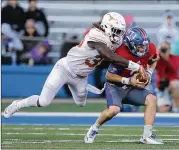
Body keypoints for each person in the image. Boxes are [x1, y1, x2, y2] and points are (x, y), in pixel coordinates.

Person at [4, 12, 146, 119]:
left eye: (120, 32)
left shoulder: (114, 39)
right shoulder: (95, 35)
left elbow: (119, 55)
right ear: (107, 27)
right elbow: (109, 56)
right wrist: (135, 66)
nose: (118, 35)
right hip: (64, 69)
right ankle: (17, 104)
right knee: (44, 101)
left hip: (81, 76)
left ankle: (79, 86)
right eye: (116, 31)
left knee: (81, 104)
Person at [84, 27, 163, 144]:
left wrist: (149, 73)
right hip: (115, 86)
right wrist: (129, 81)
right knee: (114, 110)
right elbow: (109, 75)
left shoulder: (150, 48)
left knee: (151, 99)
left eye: (144, 46)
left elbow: (154, 59)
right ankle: (94, 128)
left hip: (131, 87)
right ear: (130, 45)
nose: (143, 48)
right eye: (140, 46)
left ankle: (147, 136)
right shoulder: (121, 53)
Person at [156, 41, 179, 112]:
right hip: (161, 85)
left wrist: (167, 59)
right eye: (163, 48)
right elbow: (153, 66)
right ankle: (169, 105)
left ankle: (176, 107)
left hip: (173, 82)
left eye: (166, 49)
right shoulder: (157, 58)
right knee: (163, 110)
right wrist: (157, 55)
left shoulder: (175, 58)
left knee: (175, 84)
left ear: (170, 49)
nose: (164, 50)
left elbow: (173, 69)